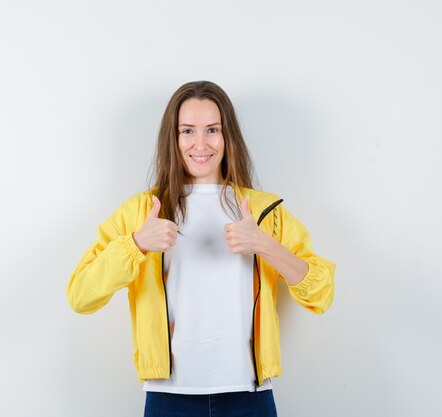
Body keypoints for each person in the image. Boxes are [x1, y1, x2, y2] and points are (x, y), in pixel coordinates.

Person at [66, 80, 335, 417]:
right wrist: (135, 244)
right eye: (187, 131)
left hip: (248, 396)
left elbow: (322, 292)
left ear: (227, 137)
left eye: (212, 130)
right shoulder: (141, 212)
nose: (200, 144)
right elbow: (80, 295)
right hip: (168, 397)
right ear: (173, 138)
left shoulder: (264, 211)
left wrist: (264, 245)